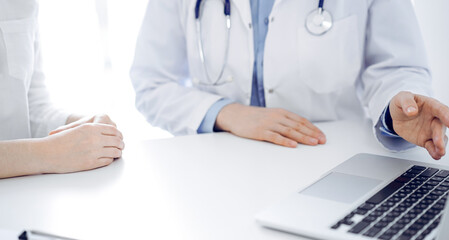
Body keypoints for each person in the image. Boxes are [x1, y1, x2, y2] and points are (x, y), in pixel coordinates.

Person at [131, 0, 449, 160]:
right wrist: (226, 113)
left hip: (328, 160)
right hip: (215, 168)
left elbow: (396, 67)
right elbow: (151, 83)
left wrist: (400, 107)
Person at [0, 0, 124, 178]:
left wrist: (79, 127)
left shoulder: (24, 4)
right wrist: (46, 153)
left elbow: (31, 106)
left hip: (23, 191)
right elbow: (48, 152)